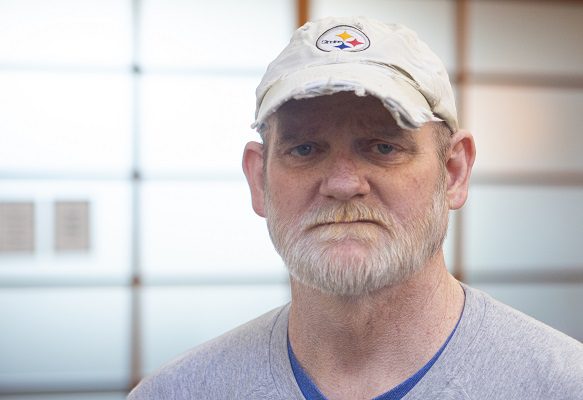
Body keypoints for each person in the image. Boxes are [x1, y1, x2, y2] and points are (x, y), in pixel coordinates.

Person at [128, 16, 583, 400]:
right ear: (258, 178)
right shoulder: (180, 391)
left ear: (454, 171)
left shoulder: (560, 383)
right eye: (305, 149)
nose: (344, 184)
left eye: (383, 146)